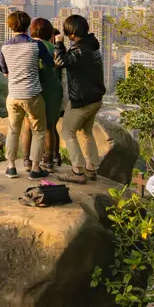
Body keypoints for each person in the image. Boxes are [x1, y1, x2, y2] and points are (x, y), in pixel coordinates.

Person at [52, 14, 107, 184]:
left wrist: (59, 43)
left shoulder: (79, 50)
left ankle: (77, 171)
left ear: (72, 34)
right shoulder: (92, 45)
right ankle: (91, 168)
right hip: (96, 98)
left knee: (67, 132)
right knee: (86, 132)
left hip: (82, 100)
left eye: (67, 33)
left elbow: (60, 61)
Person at [0, 10, 52, 180]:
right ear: (28, 26)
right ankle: (35, 169)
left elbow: (5, 72)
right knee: (39, 131)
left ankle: (11, 166)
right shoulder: (36, 45)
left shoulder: (5, 47)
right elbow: (50, 63)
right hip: (32, 95)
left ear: (10, 26)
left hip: (13, 95)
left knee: (13, 130)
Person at [29, 18, 64, 171]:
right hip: (53, 89)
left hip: (34, 88)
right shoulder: (54, 48)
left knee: (32, 126)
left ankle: (28, 159)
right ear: (50, 32)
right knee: (50, 126)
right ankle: (50, 160)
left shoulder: (29, 47)